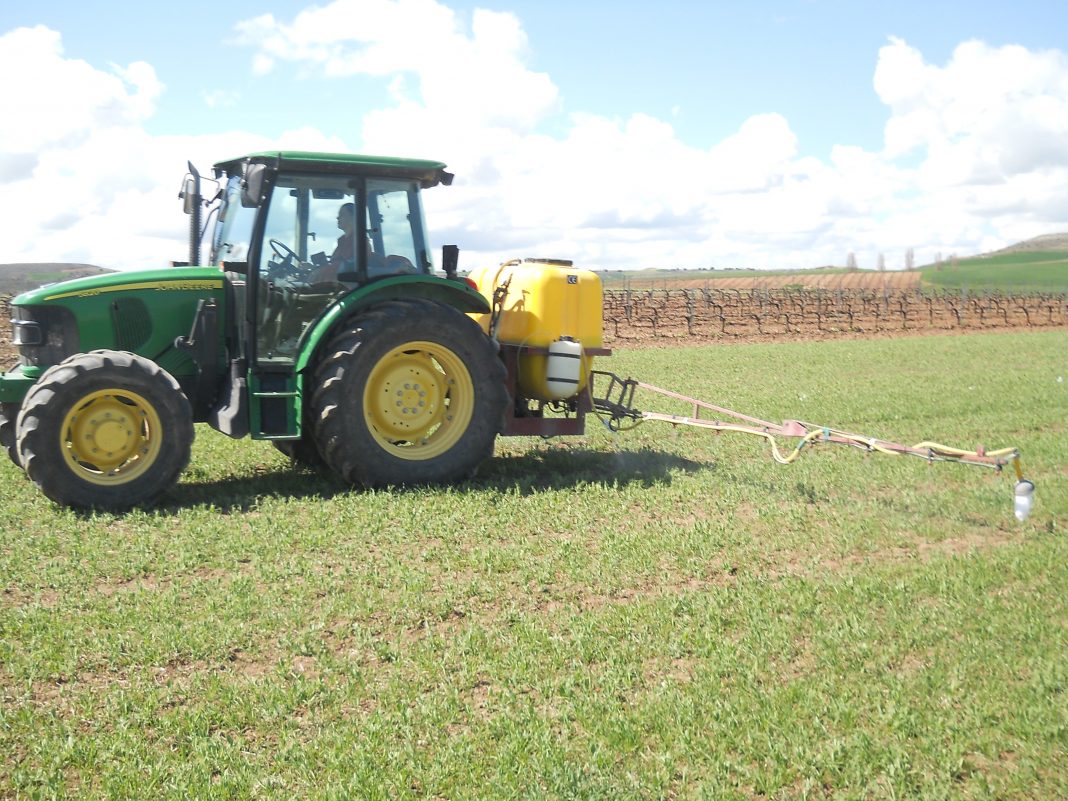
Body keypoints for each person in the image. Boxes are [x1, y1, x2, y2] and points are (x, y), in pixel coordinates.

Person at [308, 202, 356, 283]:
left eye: (342, 214)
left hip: (345, 286)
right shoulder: (342, 241)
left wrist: (320, 271)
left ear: (353, 217)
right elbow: (335, 266)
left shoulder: (359, 242)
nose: (337, 218)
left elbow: (344, 267)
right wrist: (313, 268)